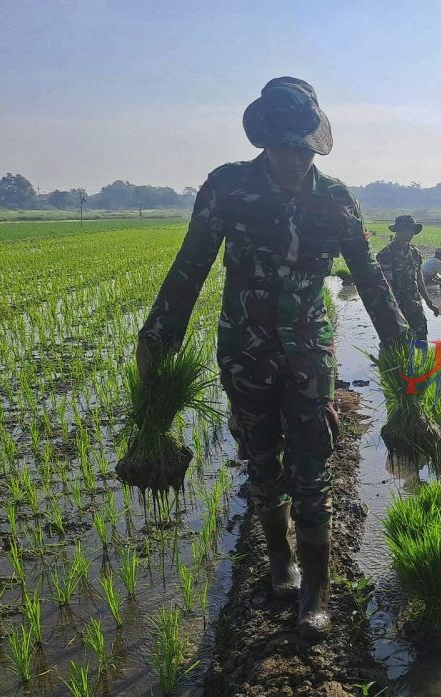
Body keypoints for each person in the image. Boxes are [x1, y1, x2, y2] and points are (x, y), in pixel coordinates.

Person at [135, 77, 410, 642]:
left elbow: (369, 276)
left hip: (310, 350)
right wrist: (158, 340)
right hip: (245, 349)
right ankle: (280, 561)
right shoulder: (227, 188)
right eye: (284, 147)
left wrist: (398, 338)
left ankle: (316, 589)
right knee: (261, 461)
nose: (293, 158)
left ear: (315, 143)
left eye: (303, 148)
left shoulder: (336, 200)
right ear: (265, 140)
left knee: (312, 462)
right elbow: (189, 268)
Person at [376, 215, 440, 341]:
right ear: (399, 230)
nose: (411, 233)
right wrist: (393, 311)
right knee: (399, 344)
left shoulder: (415, 252)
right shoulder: (386, 254)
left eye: (413, 230)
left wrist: (429, 302)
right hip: (397, 309)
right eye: (408, 229)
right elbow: (387, 285)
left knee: (421, 340)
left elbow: (419, 279)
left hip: (415, 306)